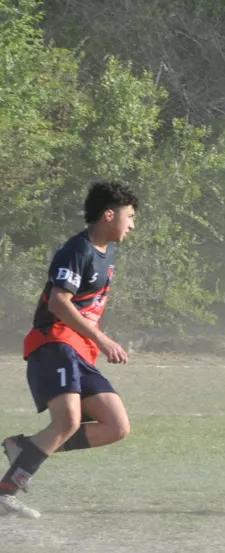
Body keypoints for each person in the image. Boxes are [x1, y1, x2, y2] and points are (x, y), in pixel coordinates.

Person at [1, 181, 139, 519]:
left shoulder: (109, 252)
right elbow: (59, 304)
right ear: (110, 214)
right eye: (130, 216)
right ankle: (6, 491)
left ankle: (25, 448)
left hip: (81, 351)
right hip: (55, 343)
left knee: (116, 426)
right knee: (67, 421)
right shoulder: (76, 250)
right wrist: (104, 340)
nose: (133, 224)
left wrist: (95, 342)